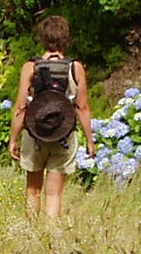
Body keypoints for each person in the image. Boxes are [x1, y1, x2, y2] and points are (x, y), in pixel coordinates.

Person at [8, 14, 96, 218]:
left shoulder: (31, 67)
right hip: (64, 136)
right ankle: (51, 236)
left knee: (33, 190)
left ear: (42, 38)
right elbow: (82, 107)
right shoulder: (76, 68)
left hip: (35, 135)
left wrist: (13, 139)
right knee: (54, 194)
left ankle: (32, 236)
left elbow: (21, 107)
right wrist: (90, 140)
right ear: (66, 39)